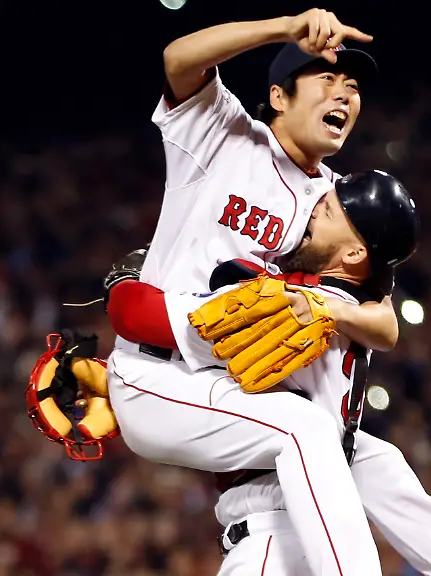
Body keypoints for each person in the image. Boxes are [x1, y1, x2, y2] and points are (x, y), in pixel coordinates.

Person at [107, 172, 431, 576]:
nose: (311, 212)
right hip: (321, 512)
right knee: (382, 465)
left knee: (359, 456)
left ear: (354, 255)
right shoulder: (350, 304)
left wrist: (125, 282)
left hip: (275, 530)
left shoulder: (291, 302)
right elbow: (384, 319)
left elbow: (145, 318)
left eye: (328, 211)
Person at [107, 10, 398, 573]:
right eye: (327, 79)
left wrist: (328, 309)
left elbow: (385, 324)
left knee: (352, 451)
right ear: (279, 97)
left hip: (226, 384)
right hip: (156, 371)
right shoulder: (225, 136)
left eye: (353, 86)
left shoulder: (339, 204)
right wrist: (286, 27)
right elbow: (178, 59)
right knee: (304, 428)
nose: (343, 93)